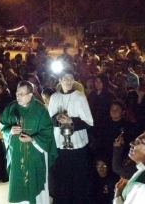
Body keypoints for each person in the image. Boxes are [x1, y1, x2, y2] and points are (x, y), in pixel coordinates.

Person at [0, 81, 58, 204]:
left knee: (35, 183)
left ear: (31, 94)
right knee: (18, 182)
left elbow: (48, 131)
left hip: (35, 154)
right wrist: (9, 130)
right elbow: (3, 125)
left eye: (22, 94)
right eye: (17, 93)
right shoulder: (11, 108)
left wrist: (32, 139)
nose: (18, 96)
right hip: (17, 154)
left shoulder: (40, 109)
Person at [48, 69, 93, 204]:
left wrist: (71, 121)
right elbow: (49, 119)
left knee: (78, 179)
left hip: (77, 146)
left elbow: (89, 122)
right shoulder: (54, 97)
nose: (68, 81)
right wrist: (58, 119)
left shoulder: (80, 96)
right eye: (65, 78)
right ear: (60, 80)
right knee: (61, 178)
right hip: (60, 145)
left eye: (71, 78)